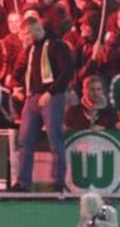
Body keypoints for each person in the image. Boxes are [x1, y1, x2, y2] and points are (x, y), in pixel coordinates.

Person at [12, 16, 74, 192]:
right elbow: (18, 71)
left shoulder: (56, 46)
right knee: (25, 141)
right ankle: (23, 182)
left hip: (51, 97)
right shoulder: (29, 50)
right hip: (32, 98)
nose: (25, 39)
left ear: (36, 30)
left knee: (55, 139)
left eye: (26, 35)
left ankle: (59, 181)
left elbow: (67, 72)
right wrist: (16, 86)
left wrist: (51, 92)